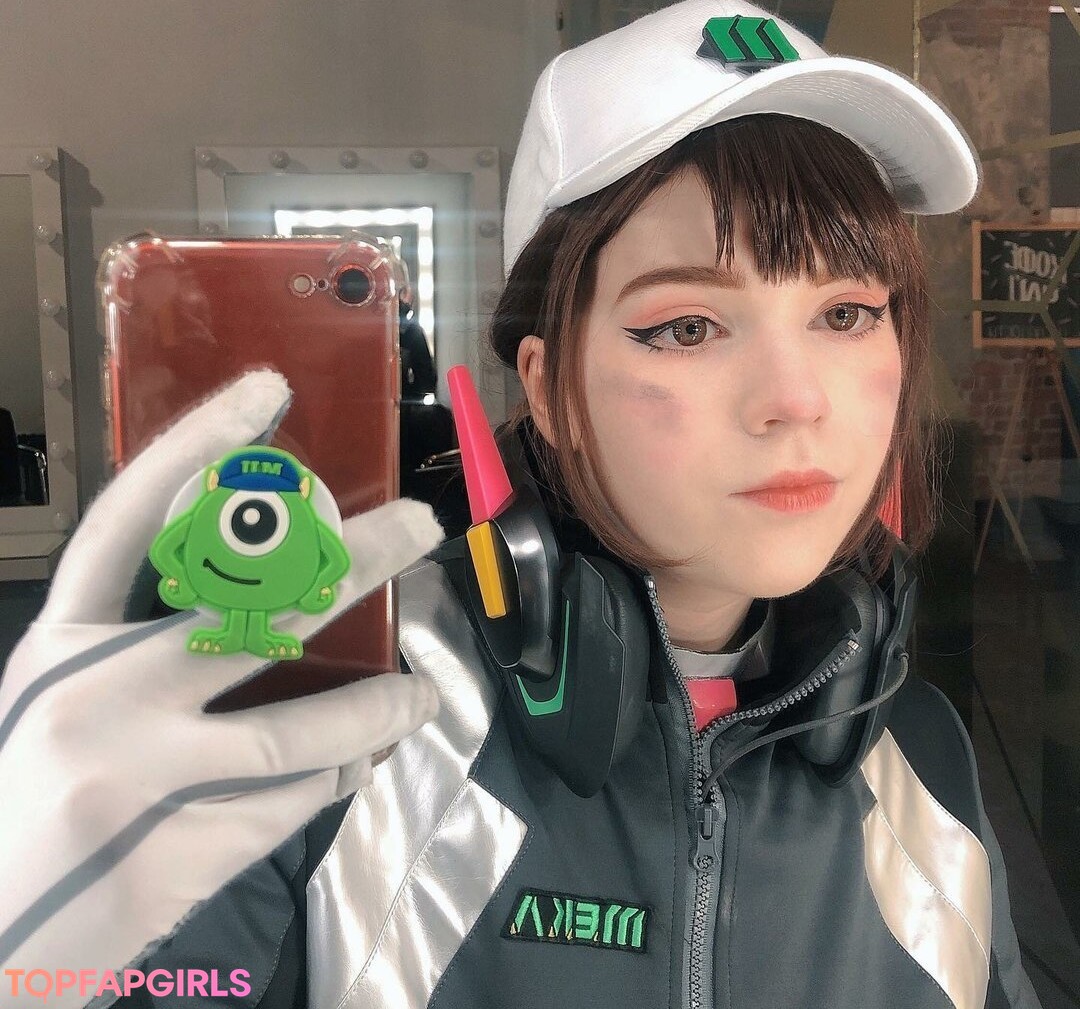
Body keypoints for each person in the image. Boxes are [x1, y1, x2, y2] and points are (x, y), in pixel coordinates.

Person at [0, 1, 1042, 1007]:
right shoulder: (330, 716)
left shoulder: (924, 759)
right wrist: (51, 916)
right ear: (546, 387)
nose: (797, 399)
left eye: (847, 313)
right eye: (687, 326)